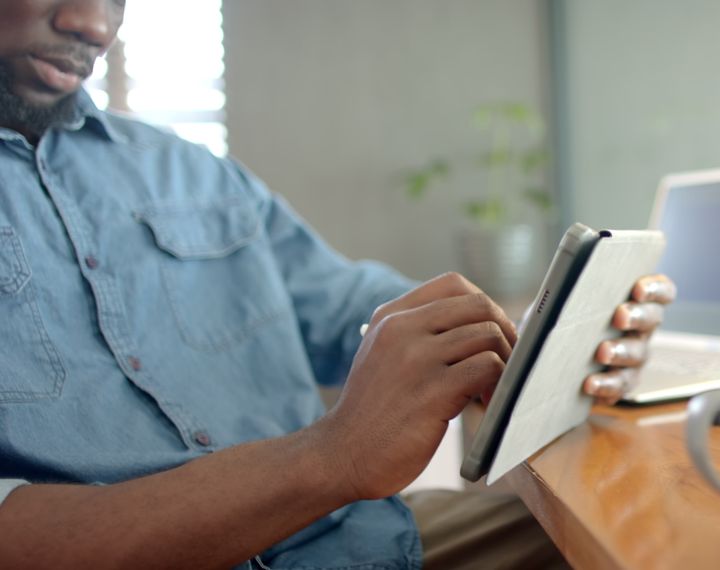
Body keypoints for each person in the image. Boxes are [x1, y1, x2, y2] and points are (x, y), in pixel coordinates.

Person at [0, 2, 675, 568]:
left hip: (357, 542)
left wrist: (536, 345)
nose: (92, 23)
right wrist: (330, 457)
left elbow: (348, 306)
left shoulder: (193, 173)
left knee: (657, 537)